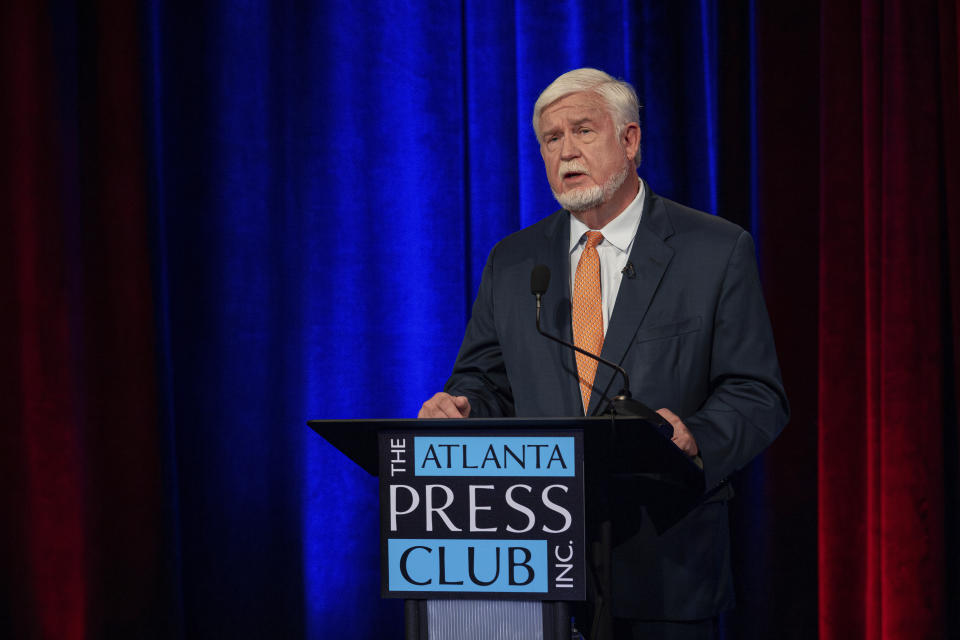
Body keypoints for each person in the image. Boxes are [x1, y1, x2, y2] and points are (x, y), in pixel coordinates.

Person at [419, 68, 789, 640]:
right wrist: (463, 408)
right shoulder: (514, 262)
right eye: (551, 139)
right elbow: (485, 381)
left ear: (630, 140)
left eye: (583, 131)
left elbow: (756, 392)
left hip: (666, 558)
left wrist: (697, 436)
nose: (566, 151)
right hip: (534, 560)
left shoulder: (714, 250)